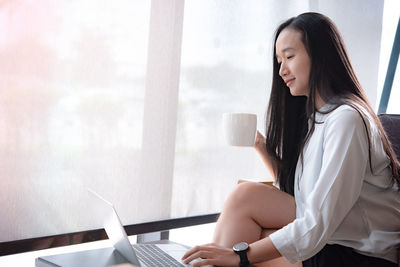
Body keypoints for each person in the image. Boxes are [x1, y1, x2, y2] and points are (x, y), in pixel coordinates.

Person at [182, 12, 400, 267]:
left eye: (289, 56)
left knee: (244, 248)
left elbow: (317, 220)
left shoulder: (346, 120)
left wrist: (239, 254)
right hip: (335, 239)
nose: (281, 69)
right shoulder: (317, 120)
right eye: (278, 60)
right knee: (246, 197)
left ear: (320, 57)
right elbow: (304, 197)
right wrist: (260, 145)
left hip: (361, 255)